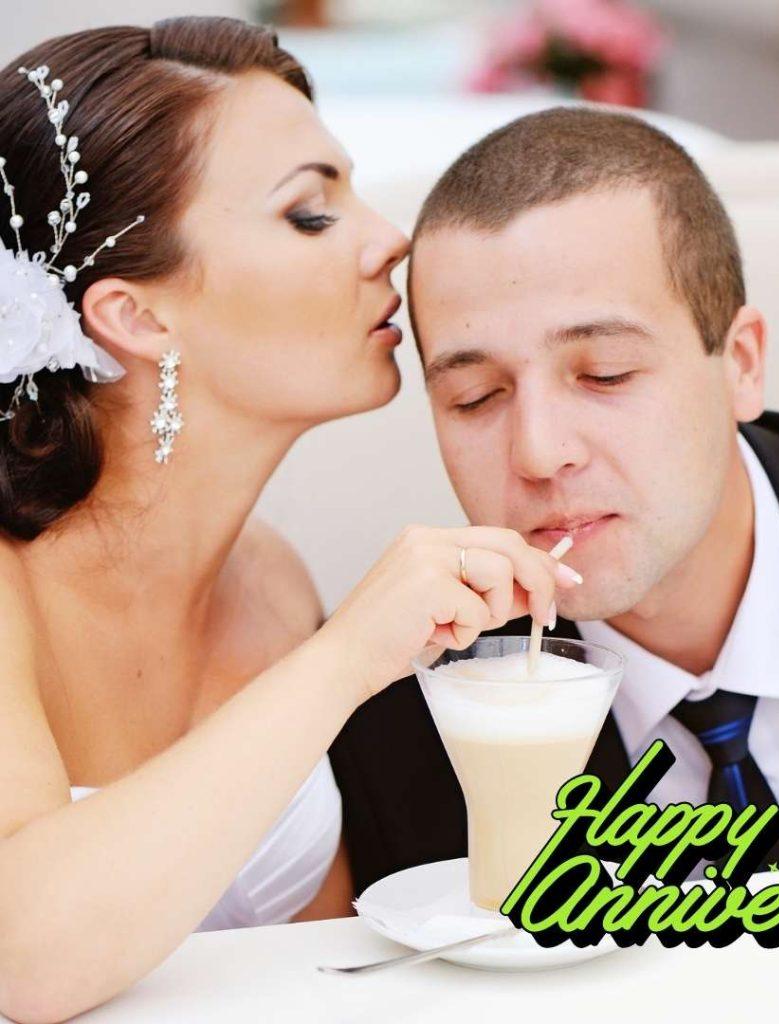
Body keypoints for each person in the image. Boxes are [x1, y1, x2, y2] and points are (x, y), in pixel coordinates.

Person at [0, 19, 581, 1024]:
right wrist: (349, 652)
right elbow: (20, 960)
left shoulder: (271, 583)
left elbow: (321, 976)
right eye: (310, 212)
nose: (388, 237)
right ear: (136, 316)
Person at [330, 106, 779, 896]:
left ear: (742, 364)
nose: (537, 451)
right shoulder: (398, 718)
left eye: (605, 374)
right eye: (475, 395)